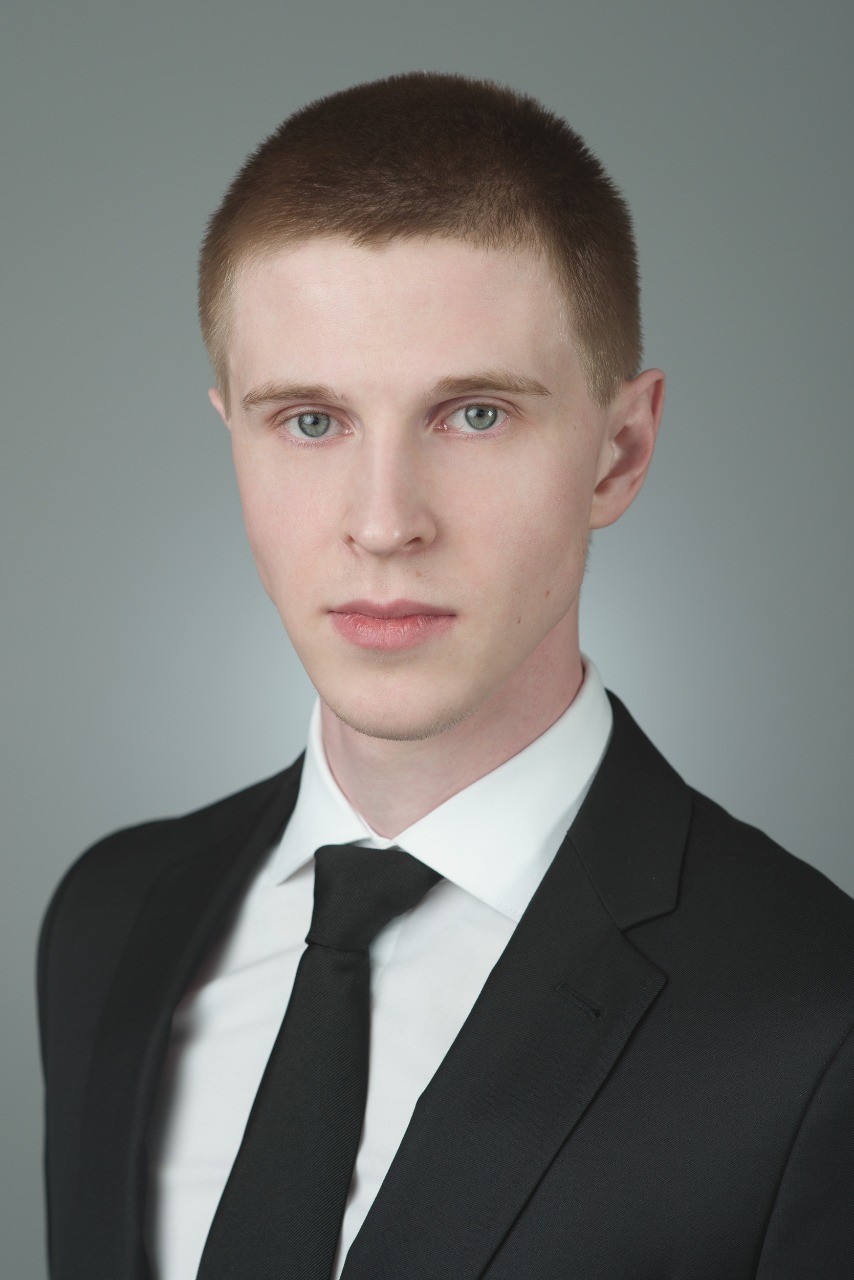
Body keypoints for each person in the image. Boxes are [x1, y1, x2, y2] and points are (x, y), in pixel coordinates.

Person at [37, 72, 854, 1280]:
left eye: (472, 414)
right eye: (309, 420)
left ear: (618, 452)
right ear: (233, 439)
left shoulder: (816, 1019)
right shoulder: (107, 916)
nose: (383, 523)